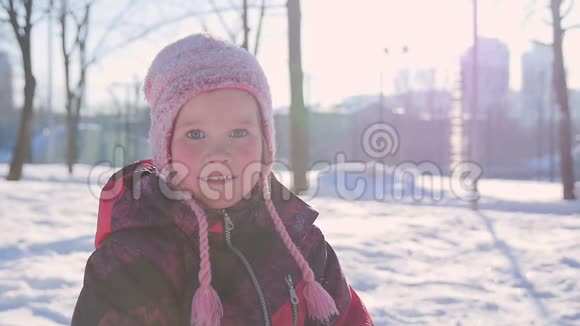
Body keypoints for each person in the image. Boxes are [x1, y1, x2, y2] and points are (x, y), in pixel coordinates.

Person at [72, 33, 373, 326]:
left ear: (265, 142)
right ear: (166, 147)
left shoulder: (301, 242)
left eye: (239, 133)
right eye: (196, 134)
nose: (218, 154)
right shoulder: (136, 257)